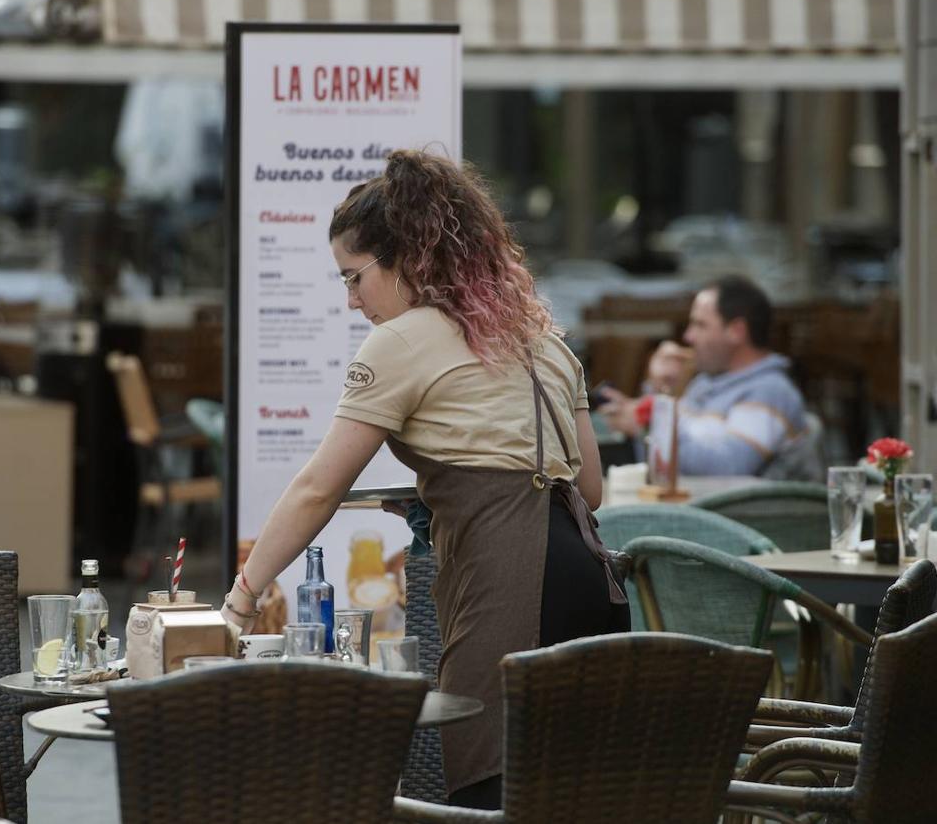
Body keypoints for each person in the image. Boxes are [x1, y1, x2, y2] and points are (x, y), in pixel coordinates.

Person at [222, 150, 629, 810]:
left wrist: (241, 600)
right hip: (594, 582)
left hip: (509, 589)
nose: (352, 301)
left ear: (408, 259)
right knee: (573, 798)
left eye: (356, 278)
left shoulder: (401, 342)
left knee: (487, 792)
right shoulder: (543, 339)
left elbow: (317, 489)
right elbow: (588, 490)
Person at [599, 276, 810, 477]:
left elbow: (728, 467)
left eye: (700, 325)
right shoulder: (704, 383)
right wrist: (659, 390)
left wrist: (650, 421)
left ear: (736, 331)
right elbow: (665, 463)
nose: (688, 336)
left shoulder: (769, 391)